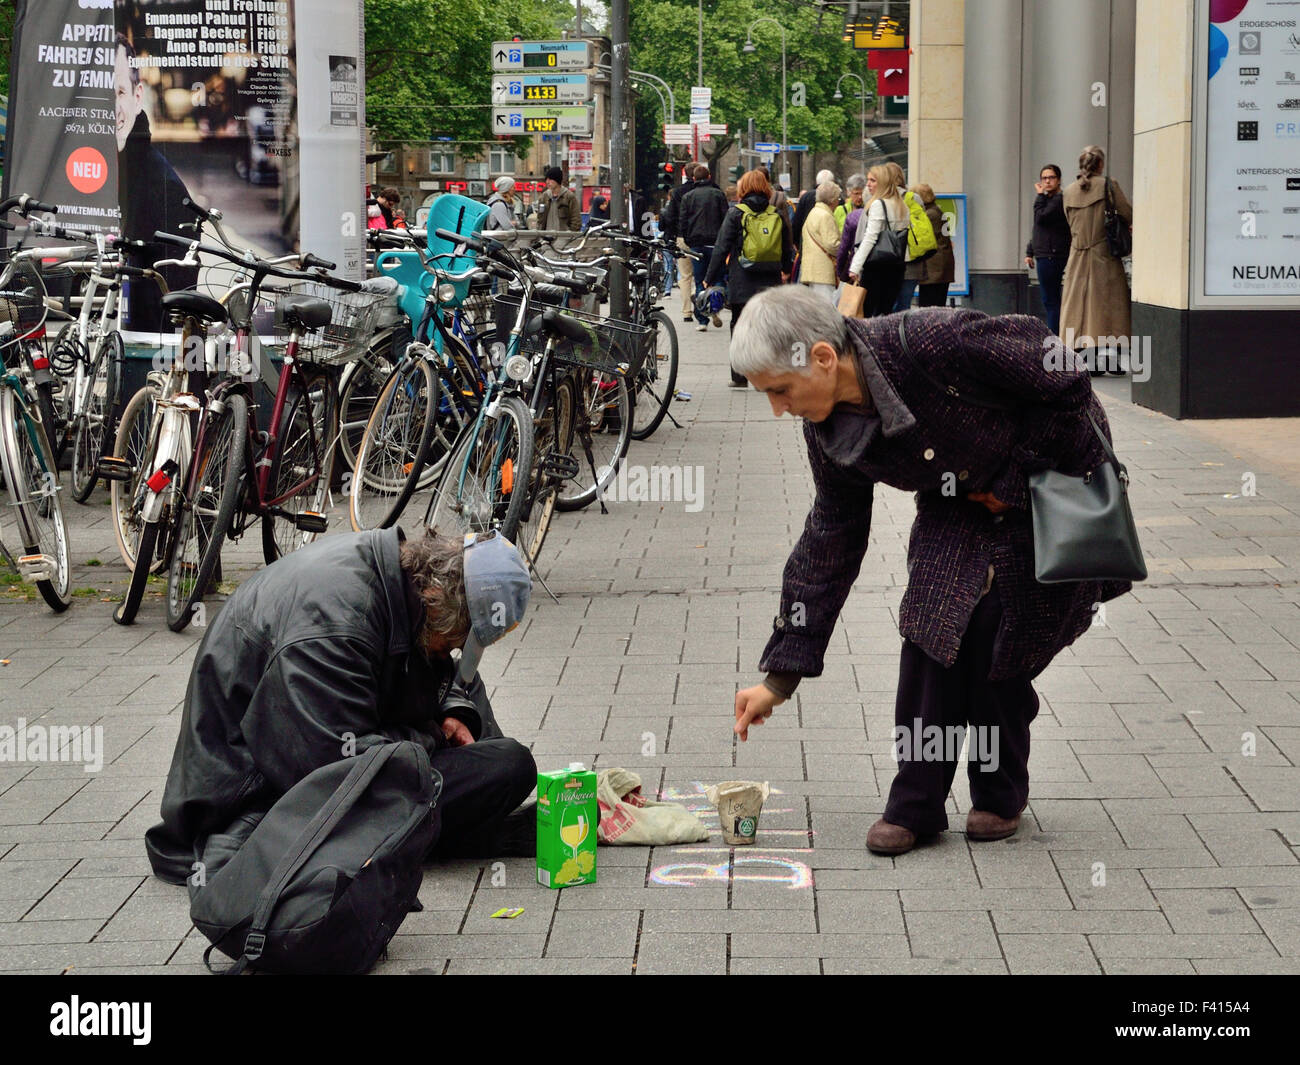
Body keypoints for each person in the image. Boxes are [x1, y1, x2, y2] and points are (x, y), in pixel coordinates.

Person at [728, 285, 1132, 855]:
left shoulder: (934, 340)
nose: (778, 408)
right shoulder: (827, 431)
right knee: (930, 631)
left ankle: (999, 793)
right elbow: (831, 536)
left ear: (821, 357)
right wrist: (780, 678)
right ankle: (914, 806)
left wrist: (1016, 480)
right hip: (956, 501)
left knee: (1000, 634)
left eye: (780, 390)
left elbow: (1063, 374)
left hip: (1051, 489)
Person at [144, 528, 539, 884]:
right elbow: (334, 768)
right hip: (252, 797)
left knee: (475, 719)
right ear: (437, 598)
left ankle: (454, 823)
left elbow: (436, 672)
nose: (453, 648)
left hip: (312, 739)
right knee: (508, 766)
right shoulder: (332, 629)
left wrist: (453, 710)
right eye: (457, 638)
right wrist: (432, 735)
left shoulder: (397, 578)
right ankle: (463, 829)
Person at [115, 33, 199, 331]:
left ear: (138, 97)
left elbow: (169, 314)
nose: (112, 108)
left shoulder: (166, 191)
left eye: (119, 92)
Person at [703, 168, 794, 384]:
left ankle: (739, 376)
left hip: (742, 276)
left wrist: (710, 276)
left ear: (743, 188)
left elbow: (721, 246)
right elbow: (786, 246)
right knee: (767, 325)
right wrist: (785, 269)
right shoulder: (777, 213)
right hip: (770, 277)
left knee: (740, 325)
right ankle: (768, 373)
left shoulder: (736, 213)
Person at [1061, 146, 1132, 375]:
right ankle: (1111, 360)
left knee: (1077, 309)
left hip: (1077, 254)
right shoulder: (1108, 185)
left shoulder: (1069, 191)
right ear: (1100, 164)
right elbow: (1127, 213)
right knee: (1110, 309)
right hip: (1103, 254)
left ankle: (1083, 359)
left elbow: (1067, 220)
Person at [848, 164, 910, 317]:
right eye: (868, 180)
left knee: (868, 313)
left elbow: (870, 237)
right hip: (896, 265)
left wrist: (855, 266)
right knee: (886, 312)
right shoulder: (902, 205)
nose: (868, 184)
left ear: (883, 182)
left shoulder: (878, 204)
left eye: (873, 180)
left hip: (876, 266)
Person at [678, 164, 731, 332]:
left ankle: (702, 318)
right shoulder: (719, 195)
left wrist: (688, 239)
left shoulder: (688, 196)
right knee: (717, 278)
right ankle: (715, 307)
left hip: (696, 244)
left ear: (694, 179)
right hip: (716, 243)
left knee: (700, 279)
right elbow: (726, 218)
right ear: (709, 177)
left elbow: (683, 221)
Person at [1024, 164, 1071, 336]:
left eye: (1051, 178)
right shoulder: (1047, 200)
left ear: (1058, 180)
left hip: (1052, 254)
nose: (1047, 181)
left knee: (1051, 300)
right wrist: (1030, 252)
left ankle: (1055, 337)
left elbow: (1040, 218)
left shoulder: (1058, 200)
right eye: (1044, 178)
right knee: (1050, 299)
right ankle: (1056, 335)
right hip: (1044, 253)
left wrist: (1039, 196)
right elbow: (1038, 228)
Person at [661, 163, 701, 322]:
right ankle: (697, 296)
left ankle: (686, 312)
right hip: (704, 238)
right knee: (702, 274)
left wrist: (670, 237)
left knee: (685, 275)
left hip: (682, 237)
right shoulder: (713, 190)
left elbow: (670, 217)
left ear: (686, 173)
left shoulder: (678, 192)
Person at [908, 183, 954, 308]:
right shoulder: (937, 210)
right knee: (938, 303)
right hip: (942, 266)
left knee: (928, 305)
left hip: (934, 268)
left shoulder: (929, 215)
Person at [800, 180, 842, 304]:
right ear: (832, 200)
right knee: (827, 306)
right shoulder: (825, 216)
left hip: (811, 269)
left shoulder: (813, 213)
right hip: (824, 270)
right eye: (838, 198)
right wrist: (845, 249)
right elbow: (831, 244)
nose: (838, 201)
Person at [792, 168, 835, 250]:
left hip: (806, 244)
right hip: (828, 247)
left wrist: (797, 244)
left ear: (816, 182)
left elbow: (797, 222)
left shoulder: (806, 197)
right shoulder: (836, 198)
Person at [835, 175, 867, 283]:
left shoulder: (868, 210)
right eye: (856, 193)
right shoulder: (840, 210)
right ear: (848, 192)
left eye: (862, 193)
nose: (860, 197)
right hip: (845, 261)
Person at [535, 165, 582, 237]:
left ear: (557, 180)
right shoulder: (544, 196)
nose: (547, 182)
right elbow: (540, 219)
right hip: (546, 238)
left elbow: (576, 219)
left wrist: (570, 234)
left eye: (550, 179)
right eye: (546, 179)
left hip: (564, 238)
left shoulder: (569, 196)